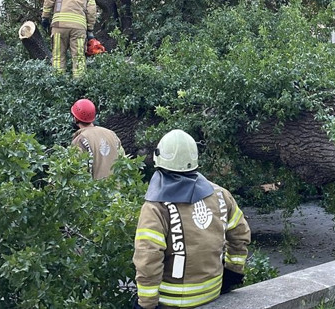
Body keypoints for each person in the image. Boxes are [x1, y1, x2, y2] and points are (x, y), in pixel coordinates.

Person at [132, 129, 251, 309]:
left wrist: (146, 305)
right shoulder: (220, 195)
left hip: (170, 301)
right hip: (213, 292)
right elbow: (240, 235)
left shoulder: (155, 208)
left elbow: (148, 259)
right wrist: (233, 273)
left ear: (159, 158)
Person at [40, 0, 97, 77]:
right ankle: (79, 85)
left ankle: (59, 82)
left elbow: (48, 0)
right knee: (78, 57)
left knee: (58, 57)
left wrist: (45, 18)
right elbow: (92, 13)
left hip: (58, 27)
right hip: (78, 29)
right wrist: (90, 30)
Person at [70, 98, 125, 180]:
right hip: (117, 190)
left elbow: (78, 173)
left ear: (75, 118)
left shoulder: (80, 140)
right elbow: (124, 162)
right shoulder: (111, 134)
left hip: (95, 191)